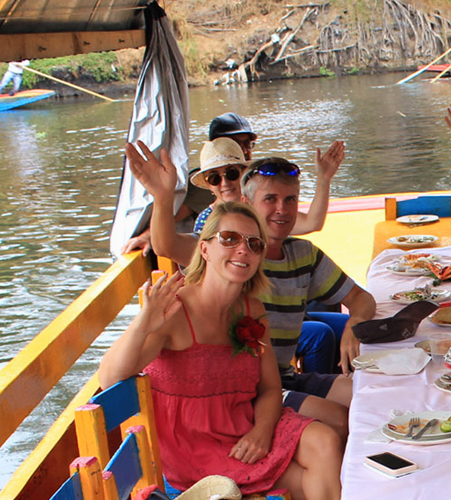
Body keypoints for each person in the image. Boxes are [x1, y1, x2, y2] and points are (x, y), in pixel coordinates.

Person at [97, 202, 342, 500]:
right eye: (229, 238)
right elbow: (109, 378)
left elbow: (271, 389)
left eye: (254, 244)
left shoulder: (251, 309)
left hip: (242, 431)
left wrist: (261, 430)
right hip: (195, 453)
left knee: (327, 440)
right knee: (320, 485)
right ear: (205, 248)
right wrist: (143, 323)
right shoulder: (177, 309)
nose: (243, 249)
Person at [129, 143, 371, 439]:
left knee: (368, 396)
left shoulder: (303, 254)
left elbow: (361, 298)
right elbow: (167, 245)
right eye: (270, 199)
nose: (282, 209)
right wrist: (162, 199)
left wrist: (355, 324)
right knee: (338, 420)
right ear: (247, 201)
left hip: (284, 377)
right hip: (244, 392)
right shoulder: (227, 255)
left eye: (290, 200)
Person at [124, 112, 261, 255]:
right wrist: (161, 197)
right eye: (214, 178)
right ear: (208, 184)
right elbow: (169, 244)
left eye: (232, 173)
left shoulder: (260, 196)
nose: (224, 182)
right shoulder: (206, 218)